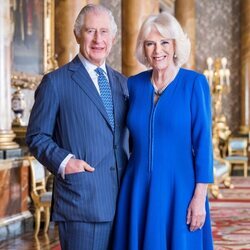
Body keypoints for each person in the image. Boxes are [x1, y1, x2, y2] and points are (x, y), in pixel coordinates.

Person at [26, 4, 129, 250]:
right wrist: (65, 162)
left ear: (112, 39)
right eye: (90, 31)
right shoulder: (56, 82)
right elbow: (36, 136)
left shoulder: (124, 84)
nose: (98, 39)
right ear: (77, 34)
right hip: (81, 204)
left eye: (104, 32)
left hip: (125, 202)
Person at [113, 12, 214, 250]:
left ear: (175, 45)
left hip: (180, 188)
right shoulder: (133, 85)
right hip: (137, 187)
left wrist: (199, 197)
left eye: (164, 42)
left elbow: (203, 144)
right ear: (143, 49)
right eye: (150, 43)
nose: (157, 50)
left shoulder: (194, 83)